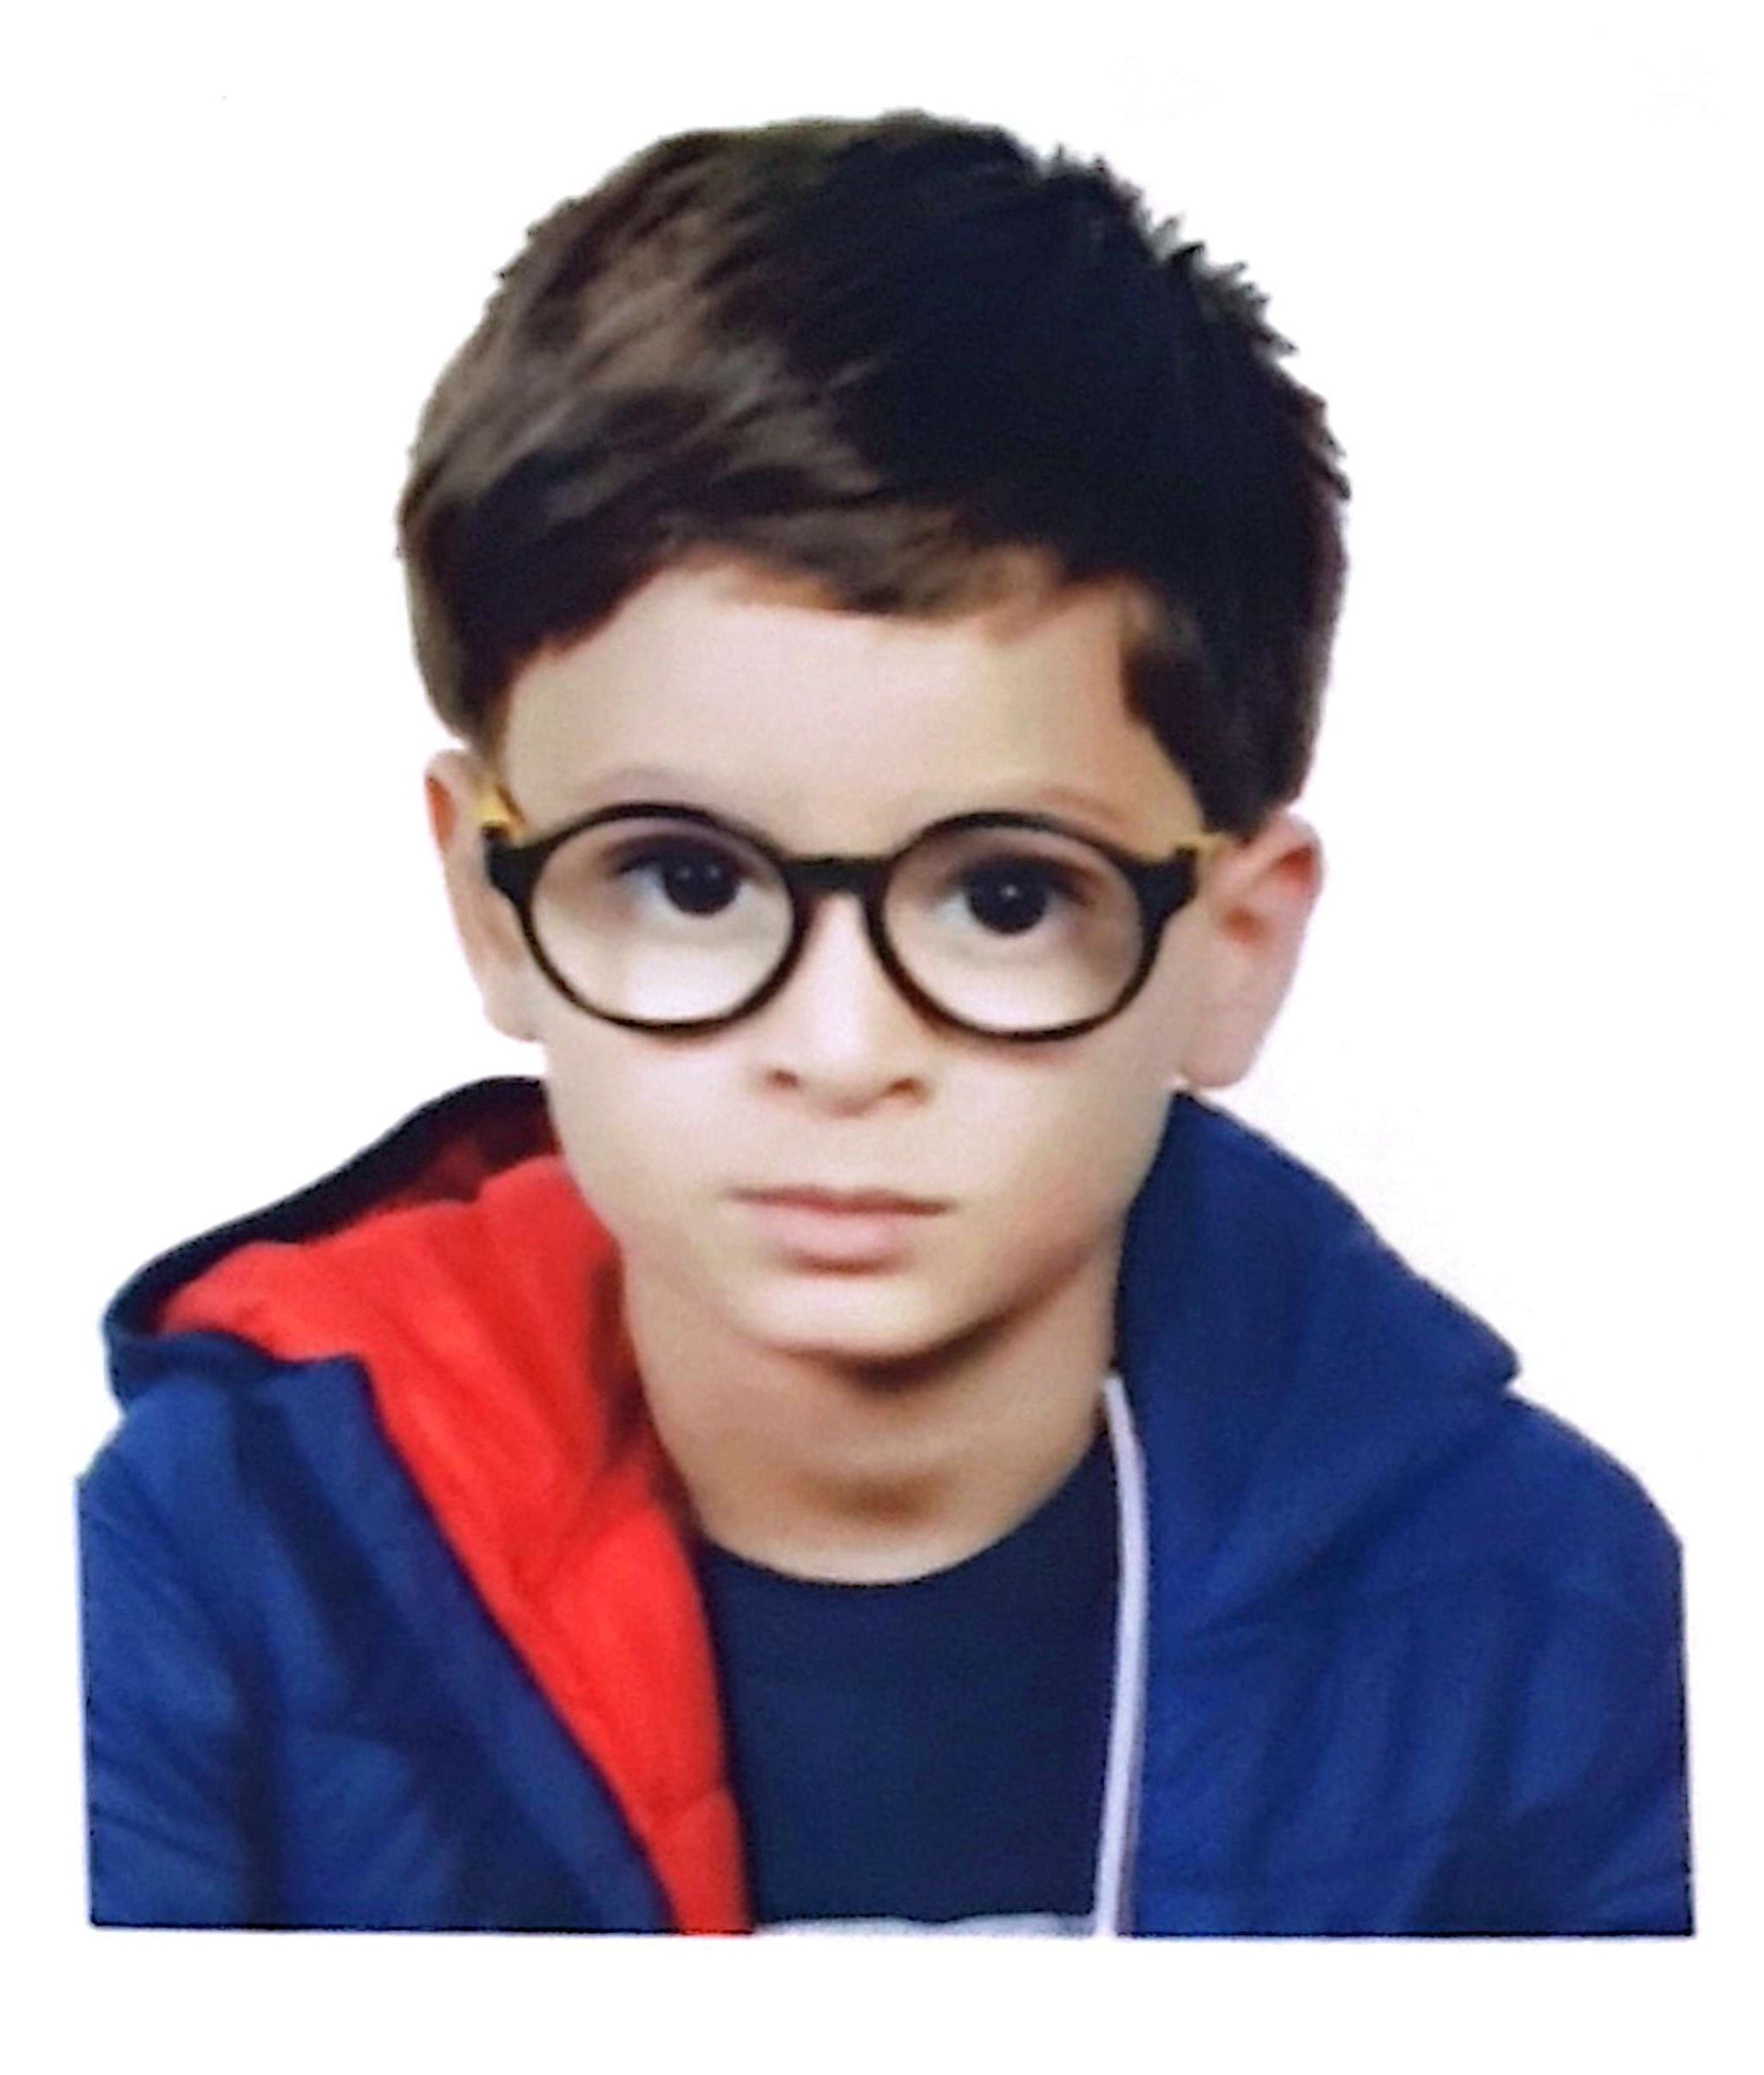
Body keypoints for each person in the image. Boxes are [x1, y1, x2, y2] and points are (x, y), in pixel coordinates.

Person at [77, 110, 1693, 1935]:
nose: (840, 1053)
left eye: (1004, 896)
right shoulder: (205, 1569)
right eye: (686, 877)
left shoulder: (1547, 1621)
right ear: (489, 902)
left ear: (1232, 948)